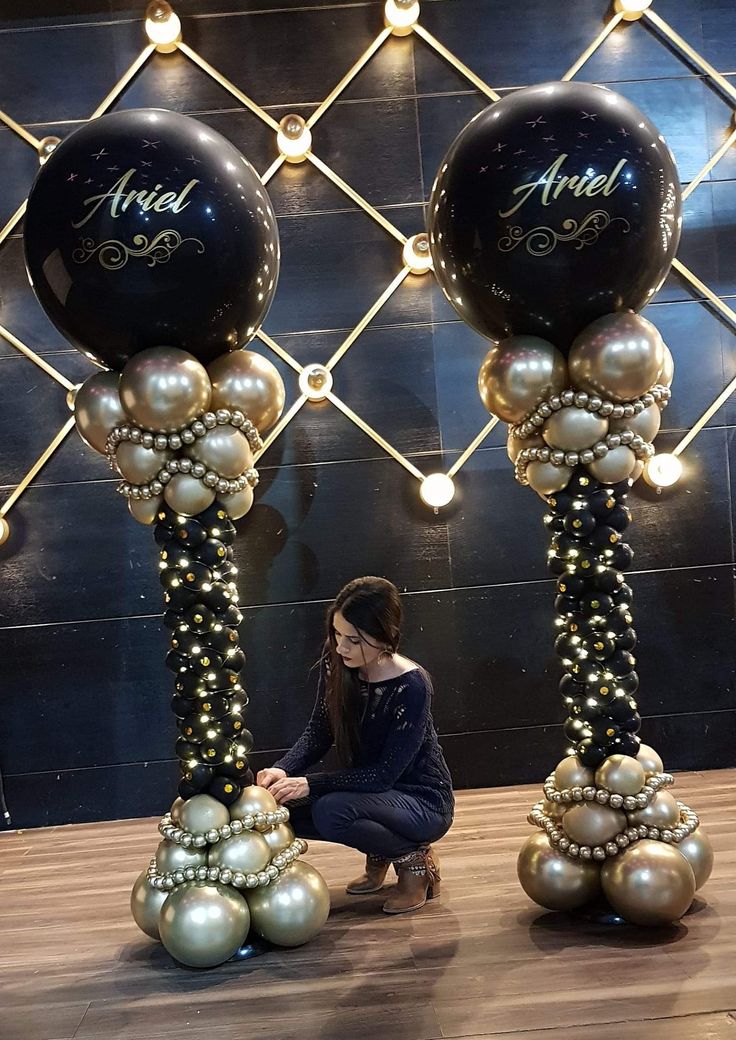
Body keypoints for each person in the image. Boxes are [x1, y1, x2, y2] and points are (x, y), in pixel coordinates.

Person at [257, 576, 454, 914]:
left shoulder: (412, 685)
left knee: (330, 811)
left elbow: (383, 776)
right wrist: (282, 769)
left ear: (385, 635)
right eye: (336, 634)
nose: (341, 647)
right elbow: (320, 730)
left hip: (421, 801)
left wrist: (309, 784)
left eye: (354, 639)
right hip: (371, 795)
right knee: (278, 812)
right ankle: (382, 850)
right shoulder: (339, 663)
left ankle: (414, 863)